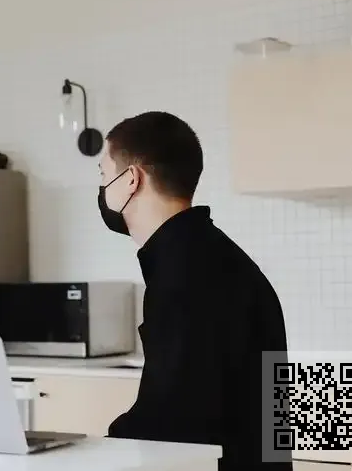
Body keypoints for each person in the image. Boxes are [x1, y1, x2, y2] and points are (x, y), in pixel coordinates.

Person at [99, 112, 291, 471]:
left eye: (103, 174)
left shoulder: (182, 272)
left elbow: (170, 415)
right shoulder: (213, 254)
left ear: (131, 179)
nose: (102, 188)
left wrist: (91, 453)